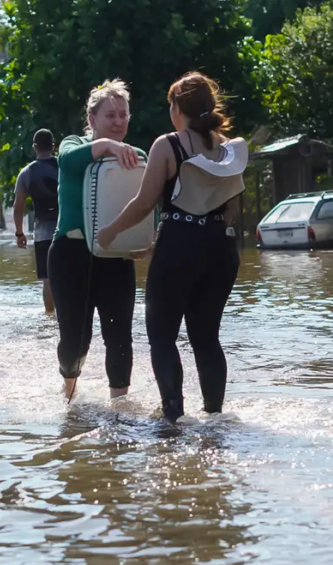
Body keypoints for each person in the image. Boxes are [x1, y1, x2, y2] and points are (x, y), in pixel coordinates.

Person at [97, 72, 246, 422]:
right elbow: (233, 208)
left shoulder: (168, 144)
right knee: (207, 337)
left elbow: (145, 202)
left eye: (170, 105)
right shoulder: (228, 149)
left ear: (178, 107)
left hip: (179, 245)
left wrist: (111, 231)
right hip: (222, 249)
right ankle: (215, 418)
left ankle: (173, 419)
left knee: (162, 336)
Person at [48, 79, 147, 401]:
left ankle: (120, 410)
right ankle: (69, 391)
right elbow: (67, 161)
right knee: (77, 340)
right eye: (110, 115)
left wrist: (145, 240)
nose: (118, 122)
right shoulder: (72, 144)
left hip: (115, 255)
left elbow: (147, 204)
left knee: (119, 337)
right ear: (92, 119)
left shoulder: (137, 156)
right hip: (70, 255)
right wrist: (107, 146)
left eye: (123, 115)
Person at [13, 129, 59, 313]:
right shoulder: (64, 167)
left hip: (43, 234)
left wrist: (19, 233)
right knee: (71, 277)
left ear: (34, 147)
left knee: (48, 280)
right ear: (53, 146)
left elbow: (18, 206)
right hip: (69, 229)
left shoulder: (26, 173)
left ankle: (50, 320)